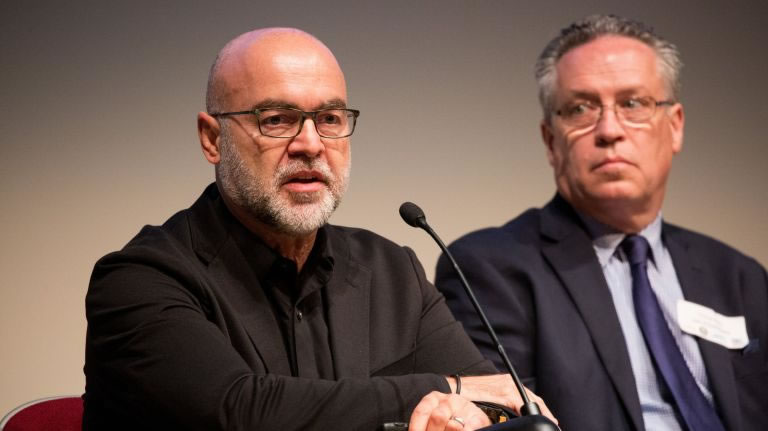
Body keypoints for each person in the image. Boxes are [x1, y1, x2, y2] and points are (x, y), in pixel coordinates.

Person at [83, 28, 554, 431]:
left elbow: (496, 401)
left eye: (329, 119)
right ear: (212, 139)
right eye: (277, 119)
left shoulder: (391, 271)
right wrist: (437, 390)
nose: (310, 144)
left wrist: (466, 413)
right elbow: (239, 412)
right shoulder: (137, 280)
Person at [436, 14, 767, 431]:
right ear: (551, 141)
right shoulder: (490, 269)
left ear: (675, 126)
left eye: (632, 103)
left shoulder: (739, 277)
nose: (609, 129)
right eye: (580, 108)